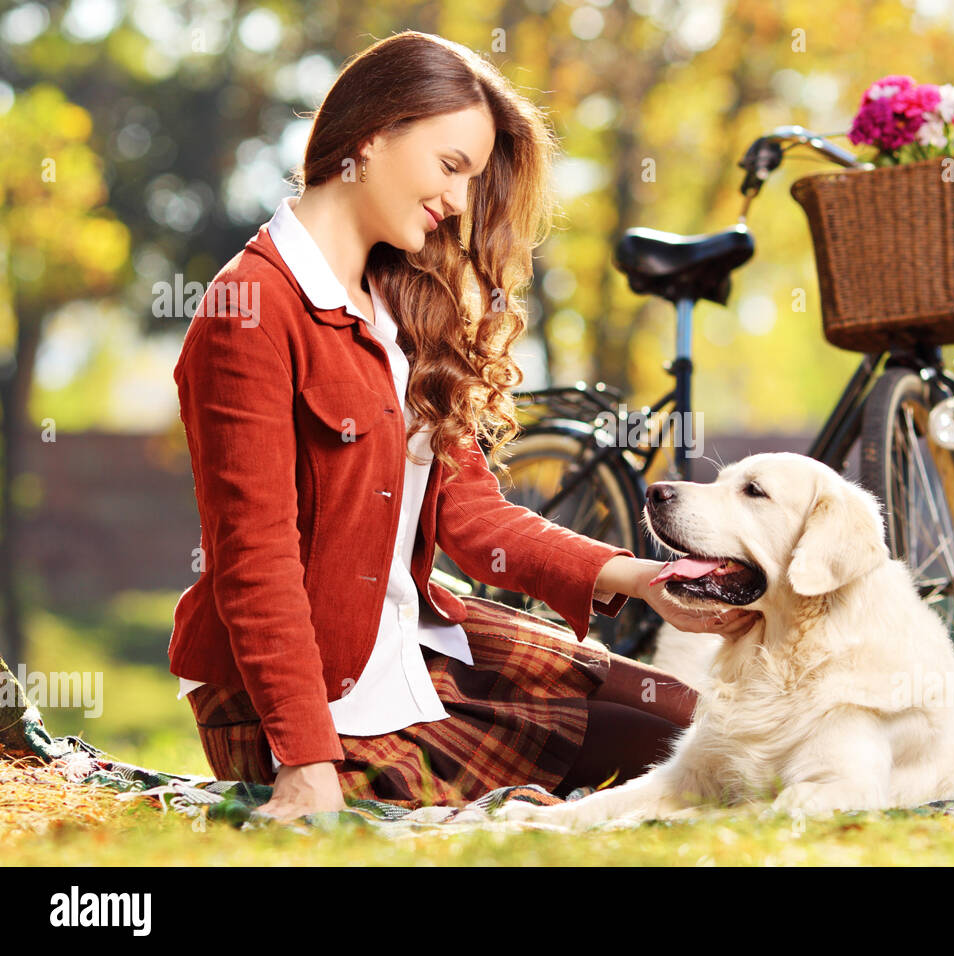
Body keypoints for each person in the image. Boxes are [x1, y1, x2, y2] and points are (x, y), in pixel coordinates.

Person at [168, 31, 760, 823]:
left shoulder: (402, 302)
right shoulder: (251, 310)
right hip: (300, 702)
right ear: (373, 136)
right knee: (527, 811)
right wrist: (305, 764)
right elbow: (255, 563)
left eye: (470, 180)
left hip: (418, 642)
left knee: (700, 731)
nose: (457, 201)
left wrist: (643, 581)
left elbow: (472, 517)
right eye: (452, 168)